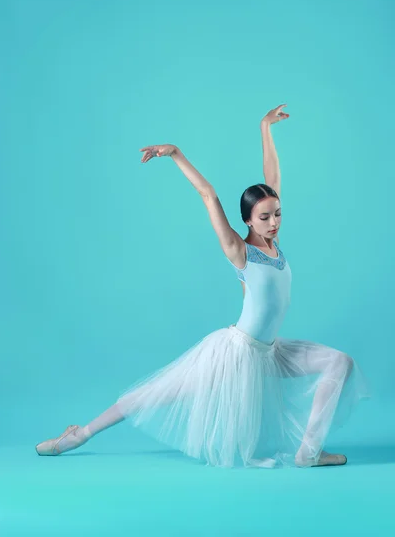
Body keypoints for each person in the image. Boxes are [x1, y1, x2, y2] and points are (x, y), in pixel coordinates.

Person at [35, 104, 371, 468]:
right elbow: (208, 195)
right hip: (236, 354)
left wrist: (265, 127)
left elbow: (271, 176)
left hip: (271, 353)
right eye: (264, 217)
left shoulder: (273, 243)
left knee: (340, 362)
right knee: (154, 394)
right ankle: (80, 434)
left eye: (277, 214)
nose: (273, 222)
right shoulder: (240, 251)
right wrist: (176, 153)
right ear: (246, 220)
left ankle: (309, 452)